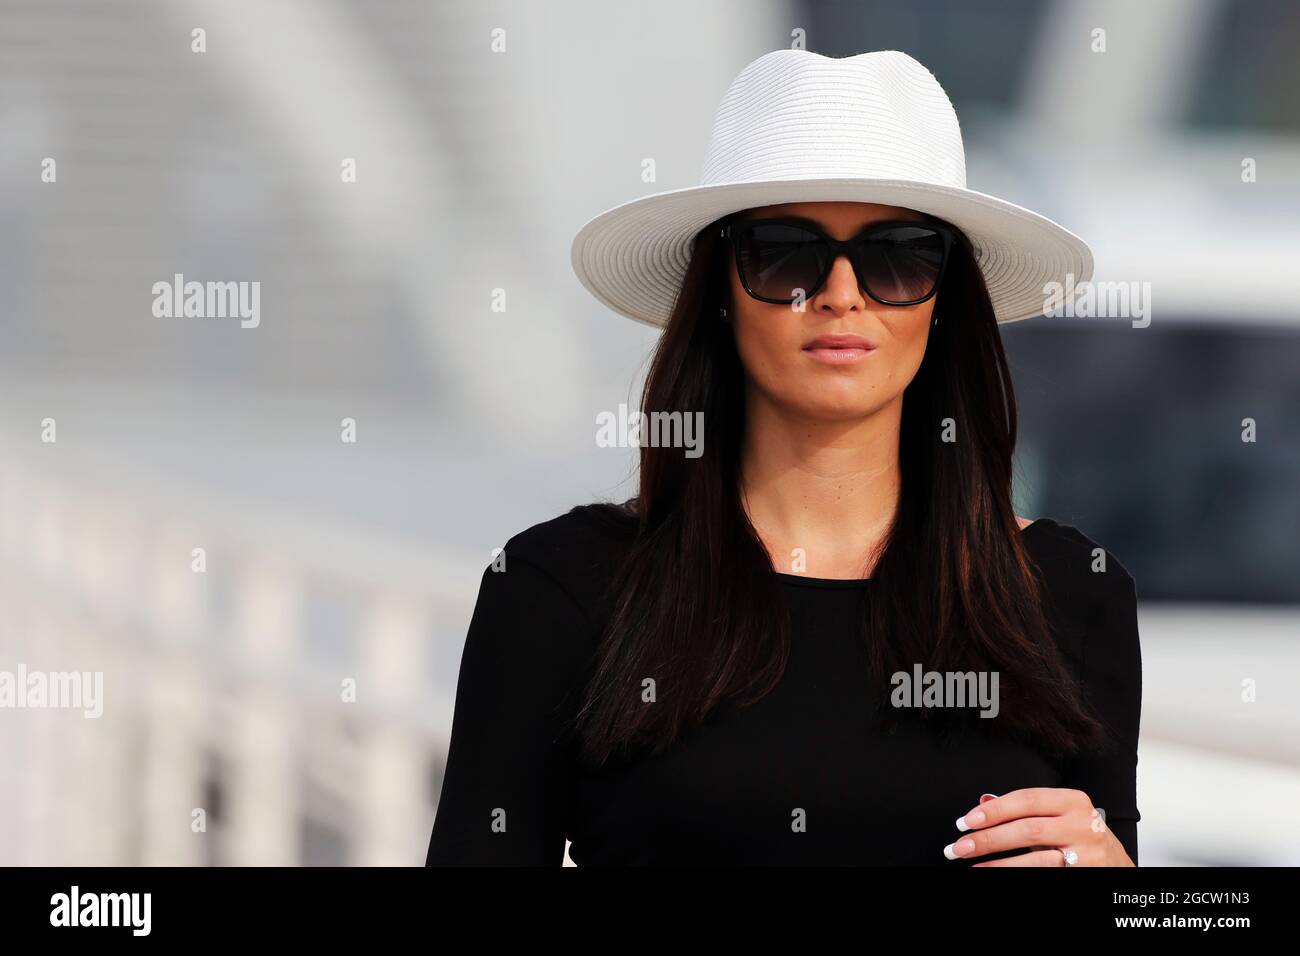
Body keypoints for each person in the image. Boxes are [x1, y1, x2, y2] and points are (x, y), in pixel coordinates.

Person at [426, 49, 1141, 866]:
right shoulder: (560, 587)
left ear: (947, 302)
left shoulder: (1071, 593)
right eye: (785, 252)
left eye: (899, 255)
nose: (840, 291)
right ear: (720, 294)